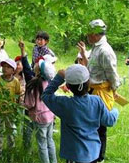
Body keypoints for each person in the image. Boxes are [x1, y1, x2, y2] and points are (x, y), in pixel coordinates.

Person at [42, 64, 119, 163]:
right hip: (93, 154)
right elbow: (110, 121)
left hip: (73, 155)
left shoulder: (65, 104)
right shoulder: (97, 101)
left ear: (68, 86)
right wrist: (114, 110)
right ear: (89, 83)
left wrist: (59, 77)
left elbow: (45, 96)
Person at [78, 19, 120, 162]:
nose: (87, 36)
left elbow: (112, 74)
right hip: (92, 90)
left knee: (100, 126)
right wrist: (84, 54)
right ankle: (90, 153)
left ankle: (99, 158)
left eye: (89, 33)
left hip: (101, 93)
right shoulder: (95, 48)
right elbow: (93, 68)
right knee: (90, 123)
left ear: (96, 34)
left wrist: (114, 91)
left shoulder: (105, 51)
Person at [24, 56, 57, 163]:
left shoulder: (32, 84)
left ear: (37, 70)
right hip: (50, 116)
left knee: (42, 143)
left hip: (39, 118)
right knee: (50, 141)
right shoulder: (49, 84)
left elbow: (30, 104)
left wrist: (22, 103)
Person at [0, 58, 21, 159]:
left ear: (13, 70)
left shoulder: (16, 82)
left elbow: (18, 94)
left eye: (8, 67)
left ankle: (11, 149)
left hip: (10, 111)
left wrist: (16, 108)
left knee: (10, 130)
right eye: (4, 67)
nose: (5, 69)